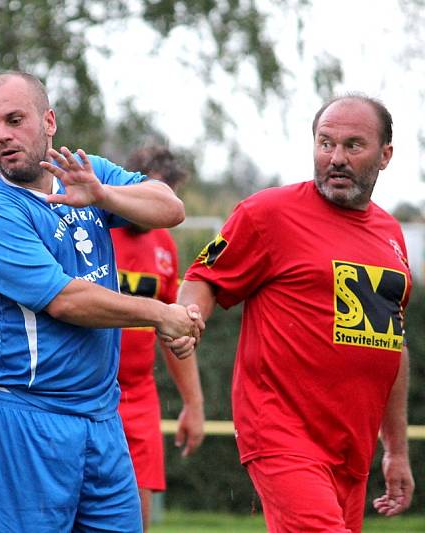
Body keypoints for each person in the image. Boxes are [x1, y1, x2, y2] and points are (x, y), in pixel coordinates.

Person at [0, 71, 204, 533]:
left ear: (49, 121)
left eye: (16, 119)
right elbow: (66, 301)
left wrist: (102, 194)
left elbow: (171, 208)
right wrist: (160, 315)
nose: (3, 136)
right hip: (25, 415)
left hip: (99, 415)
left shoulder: (81, 170)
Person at [173, 94, 414, 532]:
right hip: (282, 434)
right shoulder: (268, 214)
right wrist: (188, 319)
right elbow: (204, 277)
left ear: (385, 156)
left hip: (352, 449)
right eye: (326, 144)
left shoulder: (390, 235)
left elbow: (390, 346)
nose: (336, 158)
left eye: (353, 146)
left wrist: (396, 449)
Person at [111, 145, 205, 530]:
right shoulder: (90, 228)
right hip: (84, 391)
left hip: (139, 397)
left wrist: (194, 403)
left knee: (135, 520)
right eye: (151, 193)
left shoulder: (164, 246)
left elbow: (174, 329)